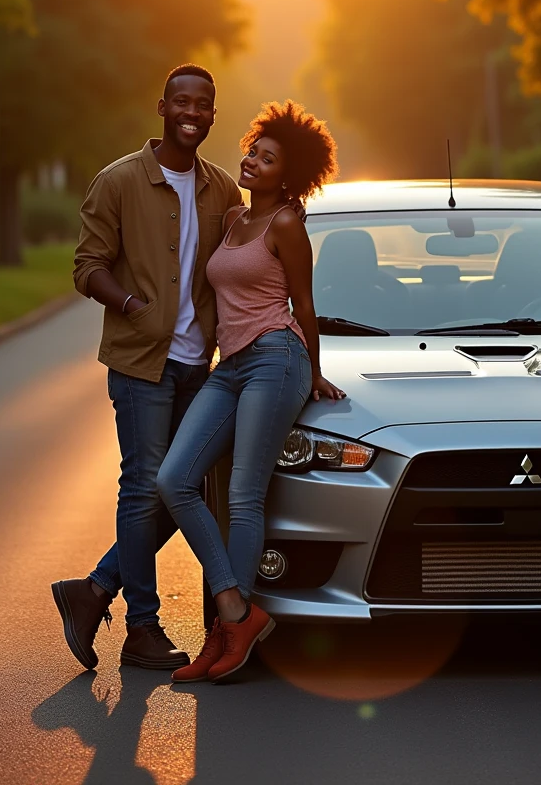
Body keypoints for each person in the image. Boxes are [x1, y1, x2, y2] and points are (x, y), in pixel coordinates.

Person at [52, 64, 243, 672]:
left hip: (199, 366)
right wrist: (131, 302)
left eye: (204, 103)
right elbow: (87, 266)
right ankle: (141, 628)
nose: (193, 112)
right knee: (142, 489)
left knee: (177, 488)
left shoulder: (222, 191)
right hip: (141, 365)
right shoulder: (118, 182)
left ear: (214, 113)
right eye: (182, 101)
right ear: (162, 106)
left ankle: (94, 589)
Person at [156, 99, 345, 683]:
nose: (253, 162)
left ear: (287, 175)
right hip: (230, 363)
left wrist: (312, 369)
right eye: (253, 152)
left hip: (276, 358)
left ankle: (225, 635)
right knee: (175, 480)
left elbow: (305, 304)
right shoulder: (235, 218)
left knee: (242, 494)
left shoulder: (287, 223)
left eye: (268, 159)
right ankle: (238, 610)